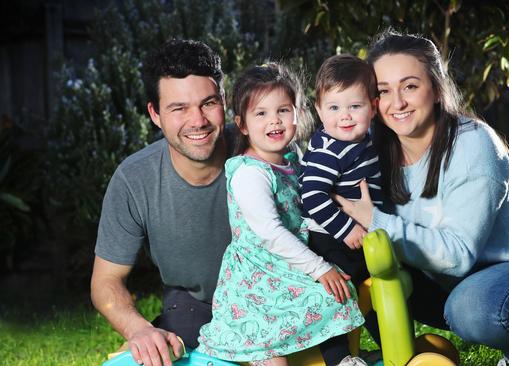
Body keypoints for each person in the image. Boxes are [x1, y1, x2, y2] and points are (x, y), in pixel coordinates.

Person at [336, 30, 509, 366]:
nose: (397, 102)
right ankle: (389, 356)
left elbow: (459, 255)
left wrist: (373, 218)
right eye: (383, 91)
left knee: (472, 310)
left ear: (435, 87)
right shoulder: (370, 147)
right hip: (442, 282)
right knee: (350, 259)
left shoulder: (473, 145)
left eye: (410, 86)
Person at [196, 63, 367, 366]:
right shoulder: (250, 173)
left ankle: (342, 359)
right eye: (261, 113)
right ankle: (271, 352)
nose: (274, 121)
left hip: (288, 262)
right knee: (272, 353)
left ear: (297, 114)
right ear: (243, 124)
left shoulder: (294, 156)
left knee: (337, 290)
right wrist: (319, 268)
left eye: (283, 110)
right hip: (257, 276)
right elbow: (271, 233)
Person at [90, 39, 231, 366]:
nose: (197, 121)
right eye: (179, 108)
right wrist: (138, 329)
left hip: (273, 304)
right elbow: (105, 282)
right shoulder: (133, 179)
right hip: (193, 308)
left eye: (208, 103)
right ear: (155, 114)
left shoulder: (265, 155)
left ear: (224, 101)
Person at [300, 54, 382, 286]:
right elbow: (312, 195)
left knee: (379, 279)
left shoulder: (364, 140)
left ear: (373, 107)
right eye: (333, 107)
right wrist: (346, 230)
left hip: (361, 229)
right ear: (319, 110)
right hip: (329, 236)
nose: (344, 116)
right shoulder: (328, 151)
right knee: (351, 283)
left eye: (355, 106)